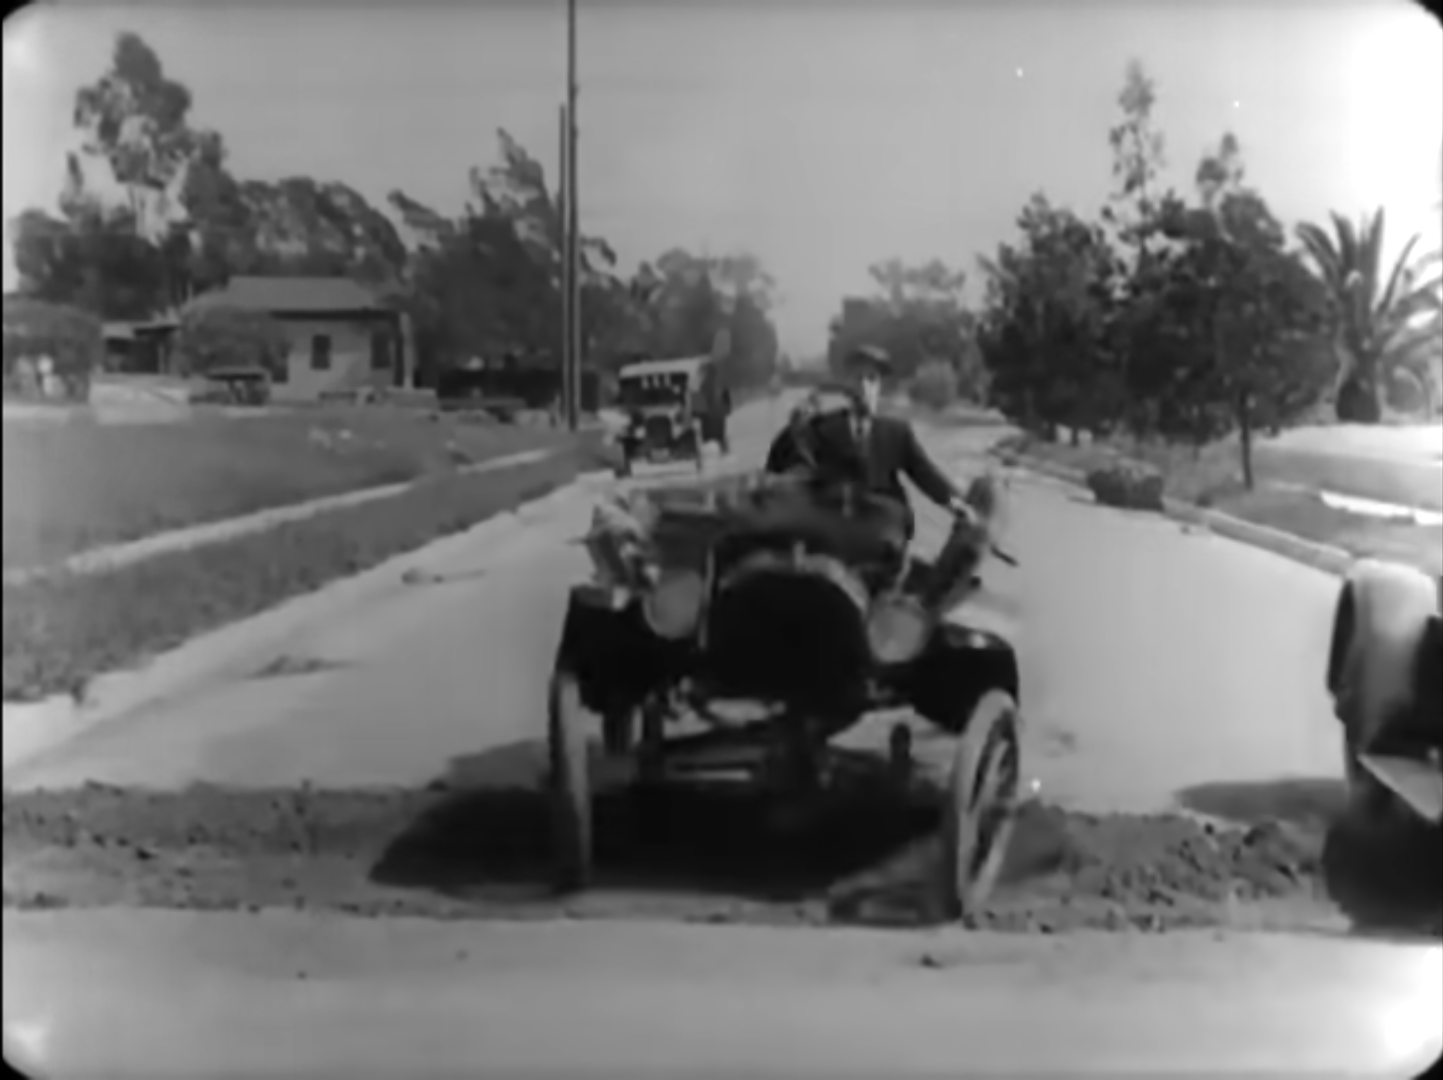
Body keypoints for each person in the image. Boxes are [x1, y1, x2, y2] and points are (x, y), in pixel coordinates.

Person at [765, 345, 976, 547]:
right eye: (858, 378)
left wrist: (956, 505)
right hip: (839, 530)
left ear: (880, 386)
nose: (865, 387)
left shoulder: (896, 432)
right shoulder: (823, 428)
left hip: (885, 529)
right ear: (847, 384)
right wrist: (796, 427)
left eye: (872, 379)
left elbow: (926, 474)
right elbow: (792, 462)